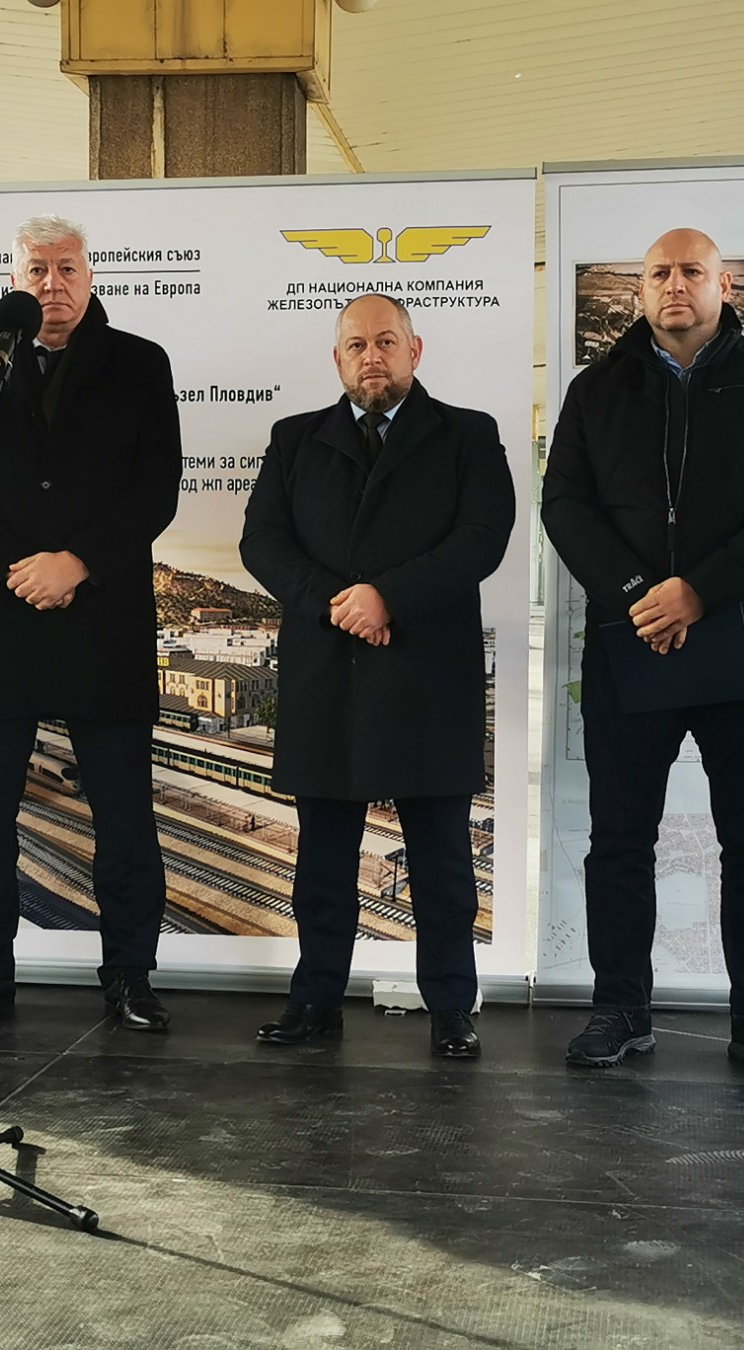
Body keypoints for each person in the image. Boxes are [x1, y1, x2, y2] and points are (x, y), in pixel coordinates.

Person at [542, 228, 744, 1080]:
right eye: (660, 273)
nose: (676, 284)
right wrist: (644, 595)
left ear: (723, 285)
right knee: (619, 838)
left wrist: (699, 592)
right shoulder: (596, 389)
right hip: (631, 639)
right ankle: (619, 1009)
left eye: (692, 271)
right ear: (641, 290)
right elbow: (565, 506)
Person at [0, 215, 182, 1033]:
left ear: (91, 276)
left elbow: (155, 491)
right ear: (14, 281)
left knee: (125, 820)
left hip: (103, 622)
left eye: (67, 268)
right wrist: (21, 571)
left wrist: (76, 564)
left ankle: (130, 977)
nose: (52, 283)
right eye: (37, 269)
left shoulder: (140, 363)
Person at [240, 293, 515, 1058]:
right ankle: (315, 1002)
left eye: (386, 341)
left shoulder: (468, 434)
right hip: (329, 671)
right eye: (357, 344)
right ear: (338, 359)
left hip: (428, 675)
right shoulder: (295, 439)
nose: (372, 356)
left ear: (414, 351)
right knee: (323, 865)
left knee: (443, 866)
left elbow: (483, 537)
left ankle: (451, 1007)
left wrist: (387, 596)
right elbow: (263, 543)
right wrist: (341, 605)